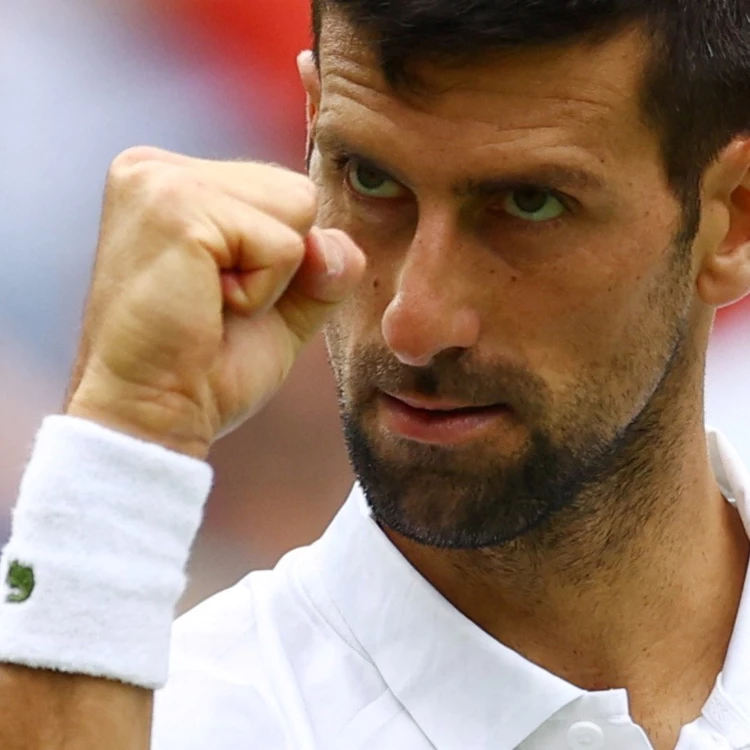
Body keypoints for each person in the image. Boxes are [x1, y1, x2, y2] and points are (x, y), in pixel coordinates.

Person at [0, 1, 749, 748]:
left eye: (529, 203)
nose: (414, 324)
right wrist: (117, 438)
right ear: (314, 120)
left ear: (734, 219)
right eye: (369, 179)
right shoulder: (174, 723)